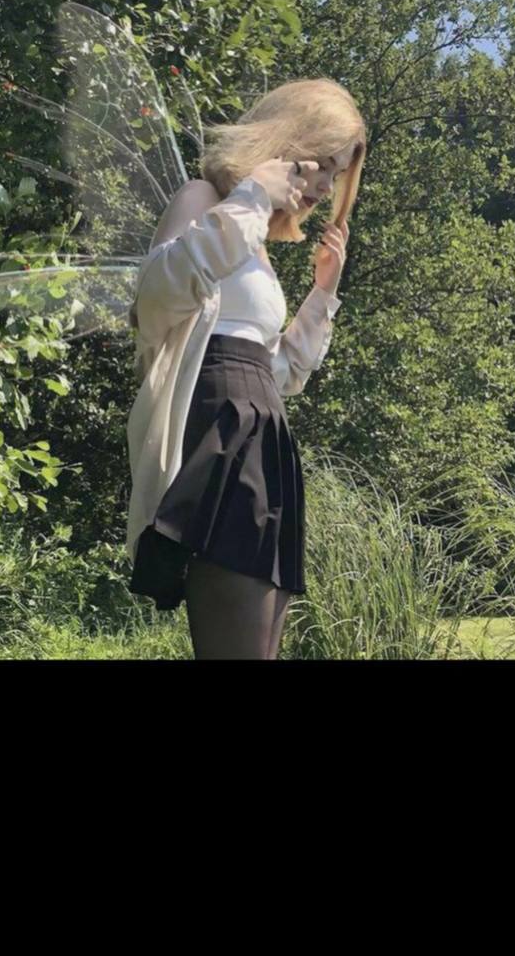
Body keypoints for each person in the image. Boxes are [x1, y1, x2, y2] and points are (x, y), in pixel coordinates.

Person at [126, 78, 367, 658]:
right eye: (324, 165)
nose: (325, 187)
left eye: (336, 176)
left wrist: (322, 295)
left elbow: (276, 373)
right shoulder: (204, 199)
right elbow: (152, 302)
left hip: (262, 436)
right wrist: (255, 196)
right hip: (219, 433)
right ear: (288, 140)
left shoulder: (254, 241)